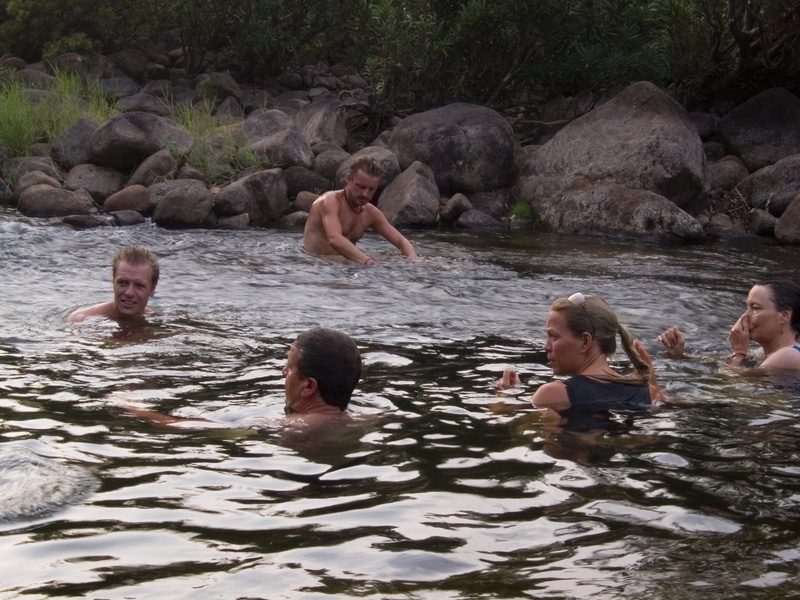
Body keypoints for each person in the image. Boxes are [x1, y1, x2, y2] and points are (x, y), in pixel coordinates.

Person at [121, 327, 363, 428]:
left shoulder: (288, 427)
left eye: (289, 367)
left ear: (309, 386)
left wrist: (135, 409)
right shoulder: (364, 420)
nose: (283, 372)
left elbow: (187, 427)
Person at [499, 292, 663, 426]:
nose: (546, 347)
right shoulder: (650, 393)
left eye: (553, 336)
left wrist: (505, 397)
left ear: (585, 341)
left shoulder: (553, 395)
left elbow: (514, 432)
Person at [659, 279, 800, 372]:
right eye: (747, 308)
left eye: (755, 308)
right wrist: (680, 355)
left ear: (785, 315)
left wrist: (739, 352)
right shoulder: (763, 353)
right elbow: (718, 362)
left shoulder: (787, 355)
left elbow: (732, 387)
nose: (744, 316)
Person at [303, 156, 418, 265]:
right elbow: (334, 239)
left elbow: (402, 242)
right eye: (361, 187)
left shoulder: (371, 213)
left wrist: (413, 262)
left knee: (418, 262)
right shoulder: (330, 201)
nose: (365, 194)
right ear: (349, 180)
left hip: (348, 266)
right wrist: (368, 262)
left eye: (371, 189)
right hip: (318, 266)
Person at [66, 246, 159, 322]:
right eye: (122, 283)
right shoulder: (81, 320)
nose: (129, 293)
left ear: (152, 289)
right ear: (113, 283)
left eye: (139, 286)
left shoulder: (157, 322)